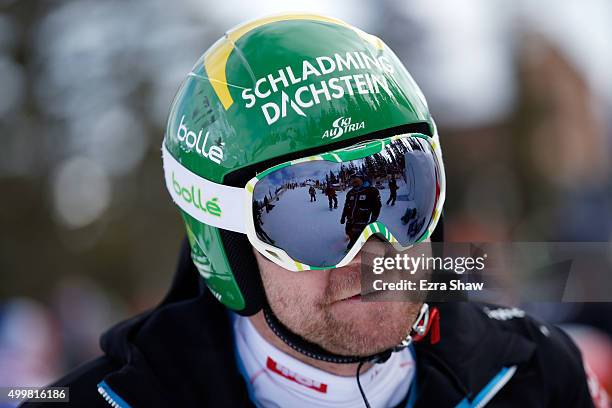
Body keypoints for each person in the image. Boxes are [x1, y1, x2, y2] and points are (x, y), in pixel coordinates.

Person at [25, 14, 606, 408]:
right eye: (313, 211)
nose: (377, 251)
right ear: (227, 246)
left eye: (400, 189)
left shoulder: (536, 371)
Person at [341, 173, 382, 249]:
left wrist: (373, 218)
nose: (353, 181)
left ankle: (353, 250)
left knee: (355, 239)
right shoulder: (350, 193)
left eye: (356, 180)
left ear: (362, 179)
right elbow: (346, 206)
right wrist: (343, 216)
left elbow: (377, 206)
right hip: (350, 219)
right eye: (352, 180)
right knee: (348, 231)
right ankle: (352, 237)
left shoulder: (371, 191)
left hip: (362, 220)